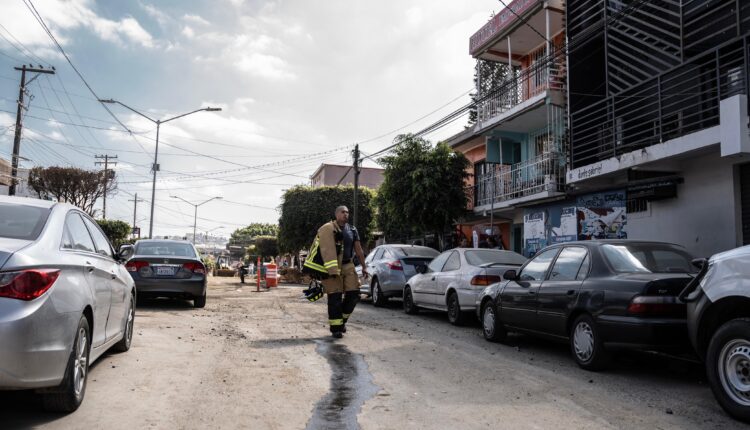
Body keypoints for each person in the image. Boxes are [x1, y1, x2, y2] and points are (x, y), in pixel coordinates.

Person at [317, 206, 368, 339]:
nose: (346, 214)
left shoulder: (352, 229)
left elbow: (358, 250)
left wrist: (364, 266)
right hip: (332, 267)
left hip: (348, 265)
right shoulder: (328, 229)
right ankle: (336, 329)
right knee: (335, 298)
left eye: (347, 212)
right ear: (336, 214)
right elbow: (322, 249)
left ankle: (342, 321)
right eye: (343, 212)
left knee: (354, 295)